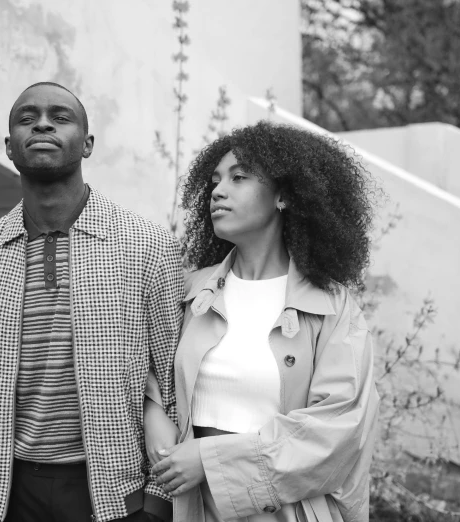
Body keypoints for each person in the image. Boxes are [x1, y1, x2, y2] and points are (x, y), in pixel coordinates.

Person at [0, 82, 183, 522]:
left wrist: (158, 502)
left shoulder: (147, 246)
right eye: (26, 118)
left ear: (88, 143)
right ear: (9, 147)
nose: (41, 123)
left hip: (123, 497)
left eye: (60, 117)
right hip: (17, 494)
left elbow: (175, 380)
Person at [143, 121, 380, 521]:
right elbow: (146, 364)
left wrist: (211, 460)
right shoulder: (189, 291)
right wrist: (153, 415)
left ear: (283, 196)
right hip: (193, 506)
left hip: (288, 510)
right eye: (215, 180)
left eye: (239, 178)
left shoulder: (332, 306)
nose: (218, 191)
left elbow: (340, 429)